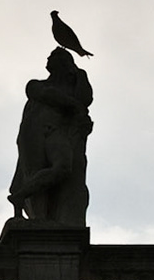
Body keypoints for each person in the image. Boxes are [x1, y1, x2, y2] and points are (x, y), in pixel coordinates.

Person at [8, 48, 94, 226]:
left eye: (53, 56)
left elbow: (86, 98)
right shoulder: (35, 85)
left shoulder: (74, 84)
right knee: (35, 168)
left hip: (57, 131)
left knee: (63, 167)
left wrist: (80, 73)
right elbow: (49, 95)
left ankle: (20, 196)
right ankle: (38, 217)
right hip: (35, 133)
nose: (47, 58)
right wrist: (74, 106)